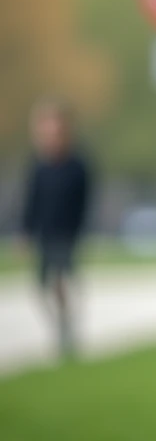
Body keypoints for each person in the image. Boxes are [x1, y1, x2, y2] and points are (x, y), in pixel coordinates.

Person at [19, 99, 93, 359]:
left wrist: (80, 231)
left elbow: (84, 202)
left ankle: (66, 333)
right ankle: (61, 327)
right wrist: (26, 232)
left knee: (63, 281)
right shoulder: (39, 166)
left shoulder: (77, 166)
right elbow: (32, 200)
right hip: (45, 233)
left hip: (66, 234)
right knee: (42, 285)